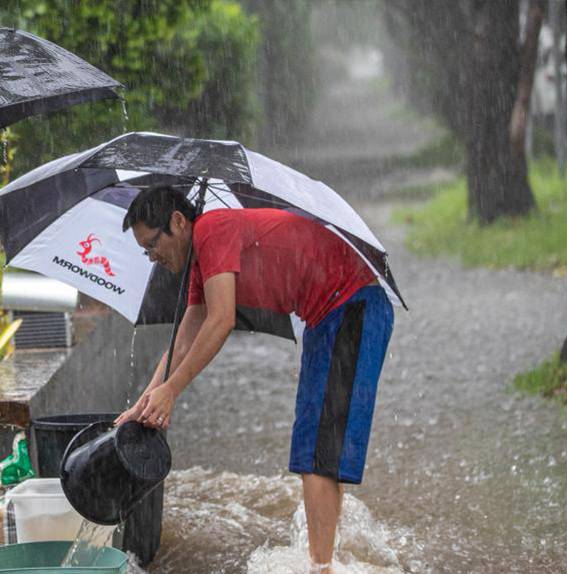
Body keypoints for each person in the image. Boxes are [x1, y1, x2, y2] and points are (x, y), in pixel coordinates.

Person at [115, 185, 394, 574]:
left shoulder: (213, 228)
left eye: (152, 245)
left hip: (353, 306)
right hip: (326, 318)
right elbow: (186, 336)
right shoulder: (200, 263)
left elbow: (222, 319)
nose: (152, 257)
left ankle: (321, 567)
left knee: (317, 452)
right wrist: (143, 403)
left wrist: (173, 391)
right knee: (314, 450)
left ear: (178, 222)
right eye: (145, 251)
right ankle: (326, 560)